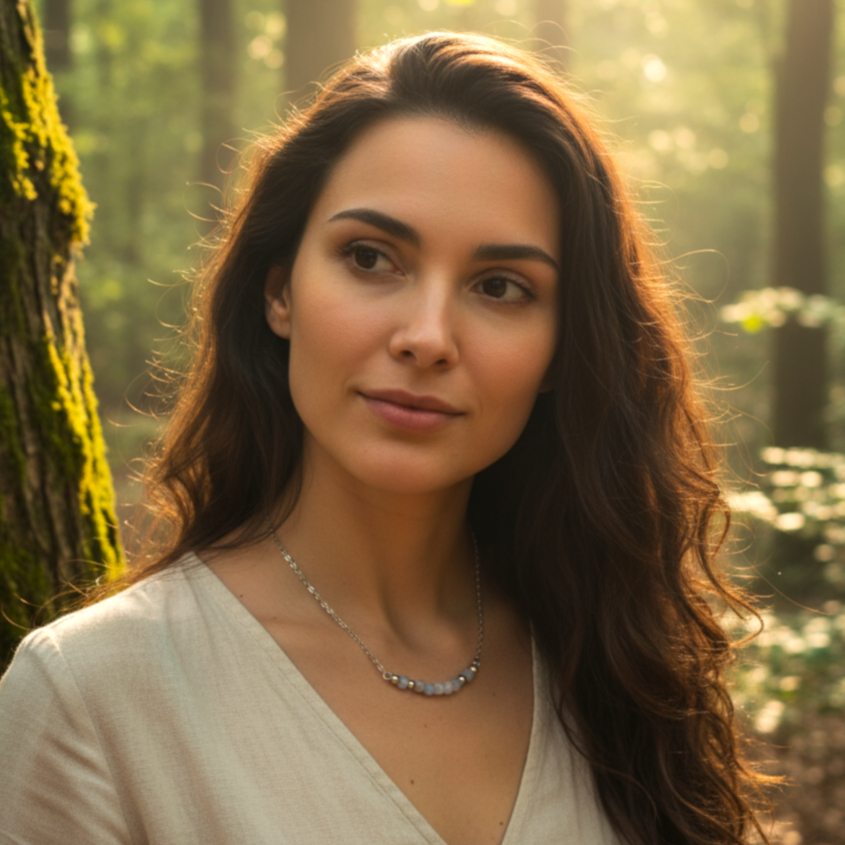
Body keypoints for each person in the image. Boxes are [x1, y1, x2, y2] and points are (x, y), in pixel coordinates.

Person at [0, 31, 771, 845]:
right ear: (280, 291)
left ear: (560, 350)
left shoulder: (620, 664)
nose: (427, 335)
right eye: (370, 257)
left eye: (500, 286)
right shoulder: (90, 700)